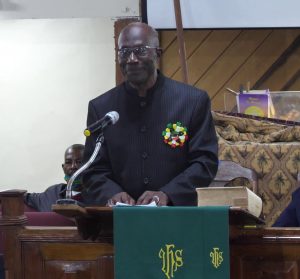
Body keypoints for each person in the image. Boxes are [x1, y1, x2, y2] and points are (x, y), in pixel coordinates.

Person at [81, 22, 218, 207]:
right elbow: (93, 169)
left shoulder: (192, 101)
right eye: (124, 52)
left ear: (158, 54)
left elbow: (204, 162)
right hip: (119, 220)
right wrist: (112, 193)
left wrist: (168, 193)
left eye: (140, 50)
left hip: (177, 217)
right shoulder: (102, 108)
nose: (131, 59)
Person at [24, 144, 84, 211]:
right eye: (68, 162)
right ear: (63, 167)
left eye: (79, 162)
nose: (73, 166)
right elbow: (24, 197)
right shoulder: (52, 193)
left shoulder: (95, 196)